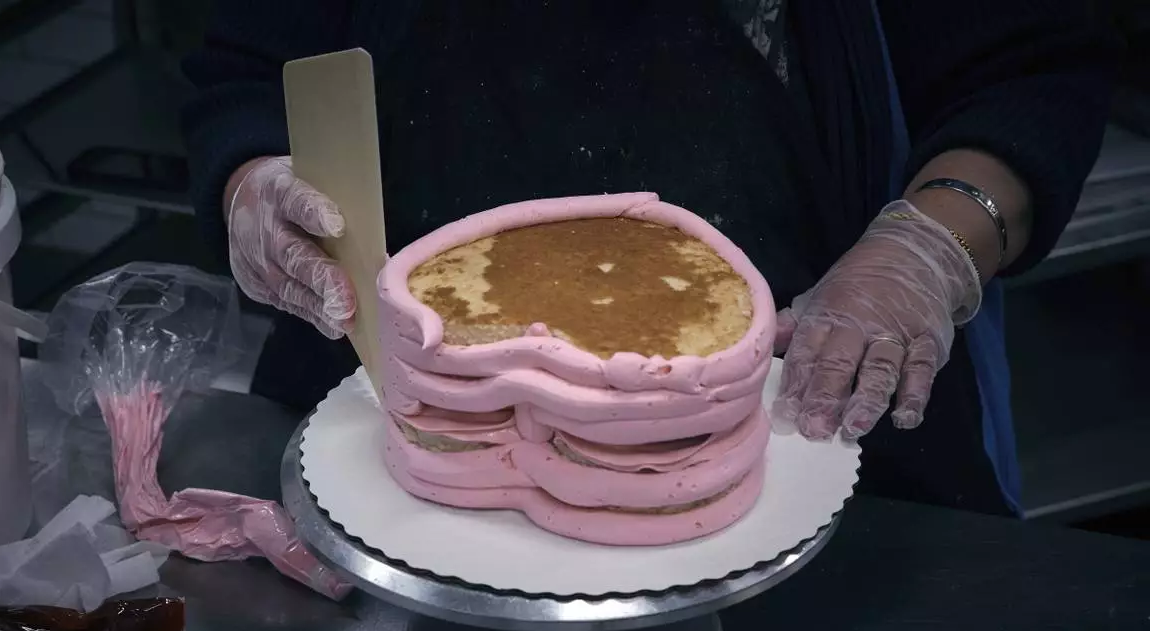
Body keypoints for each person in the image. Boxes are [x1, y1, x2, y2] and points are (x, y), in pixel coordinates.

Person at [181, 0, 1116, 516]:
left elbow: (1028, 70)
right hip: (398, 417)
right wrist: (252, 180)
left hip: (807, 420)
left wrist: (925, 248)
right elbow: (244, 66)